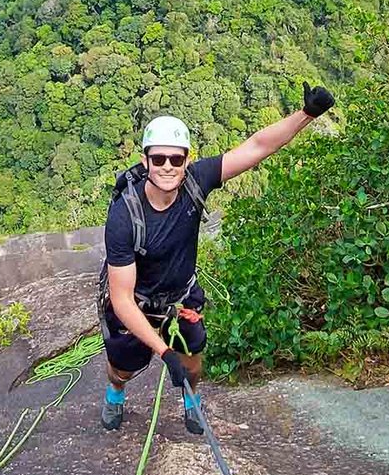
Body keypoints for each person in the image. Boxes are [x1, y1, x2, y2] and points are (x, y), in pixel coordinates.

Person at [99, 82, 335, 434]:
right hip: (137, 302)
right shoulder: (124, 215)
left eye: (175, 158)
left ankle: (192, 400)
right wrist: (163, 352)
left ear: (187, 160)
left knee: (192, 365)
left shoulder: (196, 181)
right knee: (124, 367)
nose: (167, 166)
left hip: (181, 298)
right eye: (158, 158)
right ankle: (116, 391)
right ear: (144, 160)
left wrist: (307, 114)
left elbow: (257, 146)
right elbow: (121, 299)